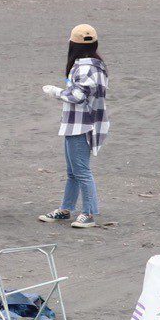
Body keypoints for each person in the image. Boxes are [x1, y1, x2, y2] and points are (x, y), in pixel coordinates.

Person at [41, 24, 109, 227]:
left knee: (80, 171)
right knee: (74, 171)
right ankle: (66, 208)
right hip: (82, 124)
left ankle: (88, 213)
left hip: (81, 125)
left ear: (72, 44)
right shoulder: (97, 65)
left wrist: (56, 92)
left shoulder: (84, 67)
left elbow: (78, 96)